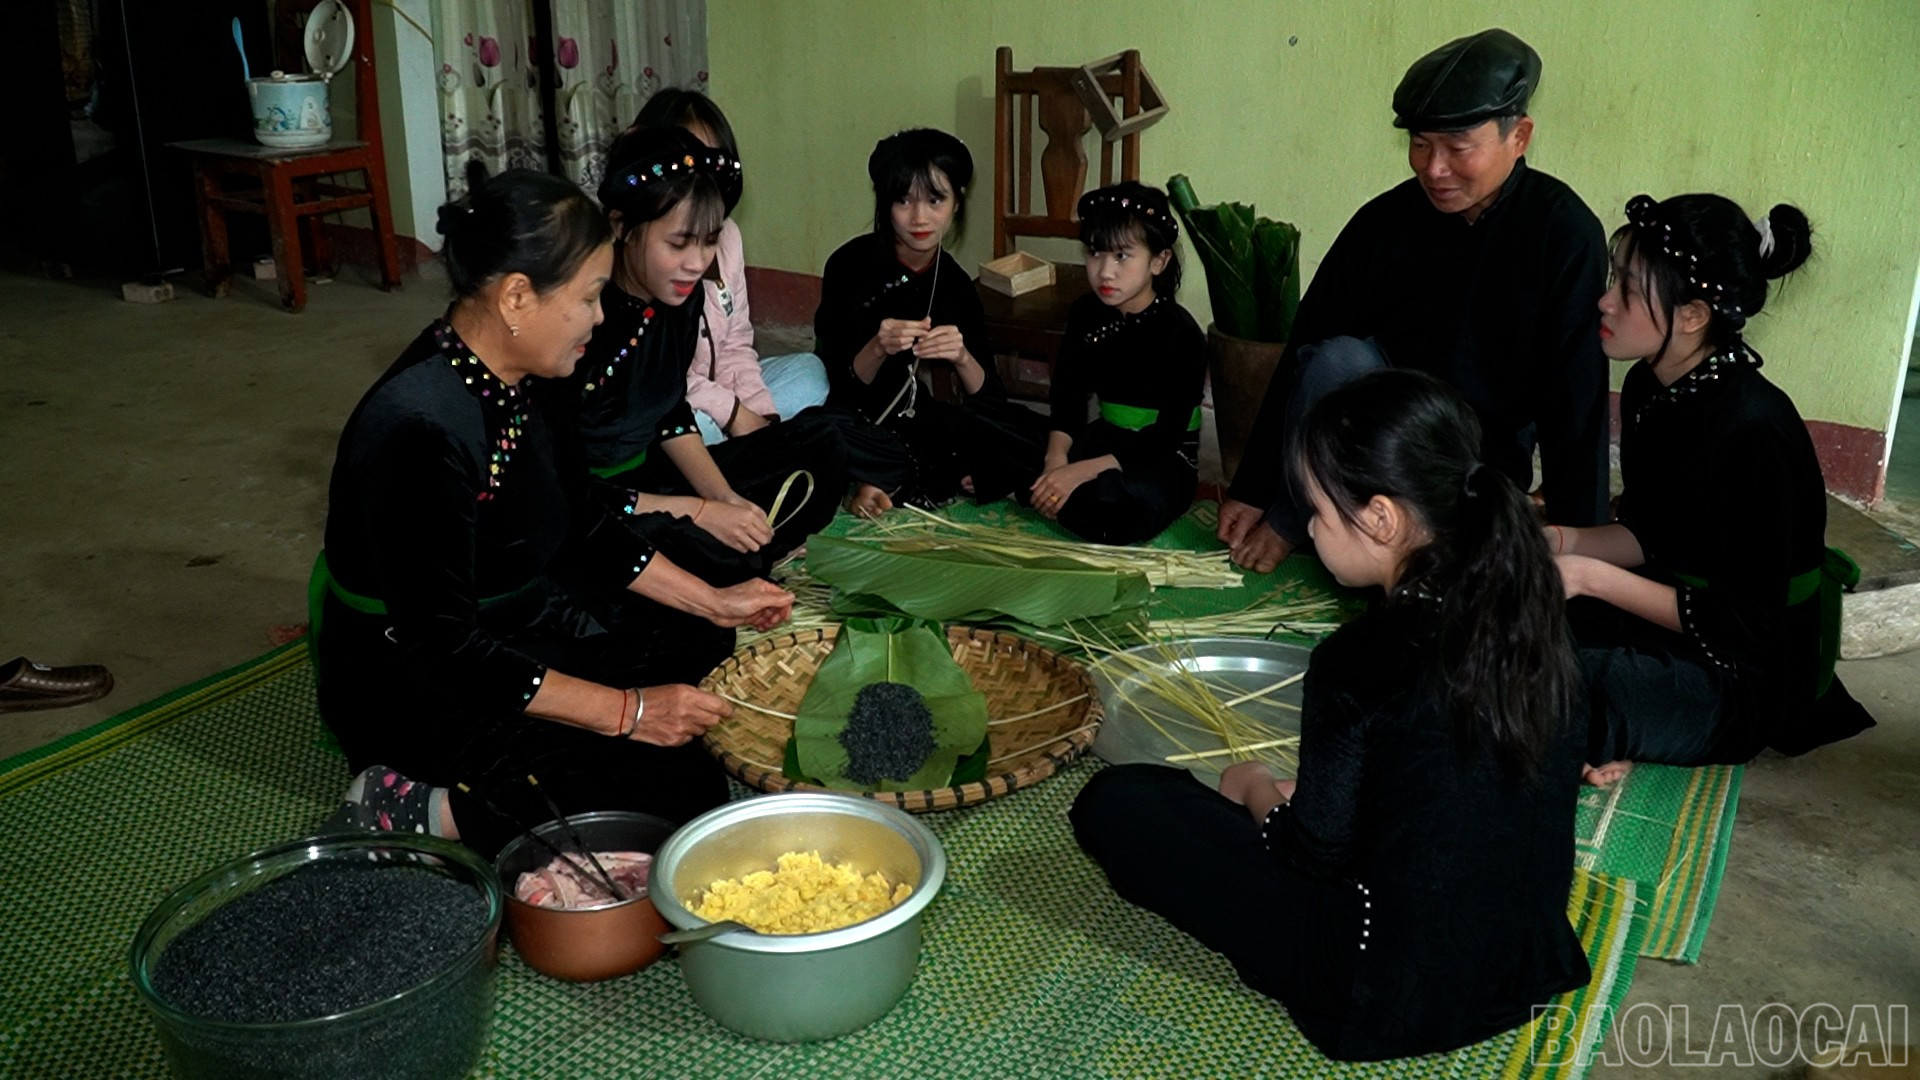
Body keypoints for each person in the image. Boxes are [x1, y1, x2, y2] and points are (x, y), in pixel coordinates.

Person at [1073, 369, 1590, 1061]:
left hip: (1377, 982)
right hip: (1520, 966)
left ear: (1381, 517)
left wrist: (1255, 789)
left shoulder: (1360, 660)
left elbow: (1311, 854)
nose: (1310, 529)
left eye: (1316, 510)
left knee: (1122, 802)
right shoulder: (1530, 616)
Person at [312, 163, 792, 858]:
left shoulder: (537, 375)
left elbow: (586, 528)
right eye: (590, 296)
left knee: (699, 646)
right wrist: (629, 714)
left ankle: (564, 762)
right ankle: (419, 810)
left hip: (511, 627)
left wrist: (716, 603)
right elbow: (443, 647)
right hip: (413, 682)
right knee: (675, 783)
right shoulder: (416, 429)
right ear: (515, 297)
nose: (601, 318)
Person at [1216, 28, 1609, 573]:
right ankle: (1300, 519)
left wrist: (1577, 551)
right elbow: (1306, 347)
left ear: (1518, 136)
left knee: (1450, 580)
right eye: (1421, 145)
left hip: (1474, 464)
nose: (1433, 168)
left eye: (1457, 148)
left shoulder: (1565, 235)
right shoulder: (1384, 222)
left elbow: (1578, 400)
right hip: (1374, 450)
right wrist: (1255, 489)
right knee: (1336, 360)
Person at [1551, 193, 1875, 784]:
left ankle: (1607, 728)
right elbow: (1651, 534)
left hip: (1745, 672)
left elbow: (1746, 625)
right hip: (1675, 615)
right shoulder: (1655, 385)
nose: (1605, 300)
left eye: (1627, 288)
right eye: (1613, 279)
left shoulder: (1754, 430)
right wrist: (1559, 543)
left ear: (1695, 314)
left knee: (1554, 685)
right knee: (1507, 622)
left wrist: (1588, 576)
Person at [573, 126, 850, 584]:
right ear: (621, 226)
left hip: (655, 476)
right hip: (597, 504)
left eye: (708, 242)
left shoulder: (681, 299)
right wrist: (702, 511)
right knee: (695, 562)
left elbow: (668, 411)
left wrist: (722, 498)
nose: (697, 262)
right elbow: (569, 494)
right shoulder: (580, 319)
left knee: (822, 442)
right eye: (678, 244)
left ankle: (743, 553)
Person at [815, 127, 1046, 507]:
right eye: (903, 201)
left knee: (1031, 433)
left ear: (957, 202)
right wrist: (878, 346)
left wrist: (962, 357)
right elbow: (839, 385)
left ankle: (888, 477)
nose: (920, 218)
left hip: (914, 417)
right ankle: (892, 475)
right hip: (856, 417)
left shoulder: (954, 283)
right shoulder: (849, 265)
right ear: (885, 204)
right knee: (822, 433)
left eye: (936, 200)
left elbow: (990, 398)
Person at [629, 89, 831, 446]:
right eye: (688, 162)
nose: (703, 178)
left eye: (715, 164)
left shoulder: (728, 235)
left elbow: (736, 341)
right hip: (665, 406)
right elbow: (657, 378)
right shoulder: (640, 248)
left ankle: (728, 444)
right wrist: (734, 414)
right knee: (679, 432)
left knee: (809, 374)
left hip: (716, 396)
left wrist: (760, 414)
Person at [1024, 182, 1206, 543]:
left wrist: (1077, 474)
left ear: (1159, 260)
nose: (1105, 272)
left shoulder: (1181, 333)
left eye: (1122, 255)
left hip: (1162, 456)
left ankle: (1067, 498)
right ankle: (1055, 490)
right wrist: (1057, 461)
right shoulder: (1085, 314)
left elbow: (1166, 437)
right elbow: (1068, 397)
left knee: (1120, 507)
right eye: (1094, 253)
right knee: (1019, 448)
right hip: (1103, 437)